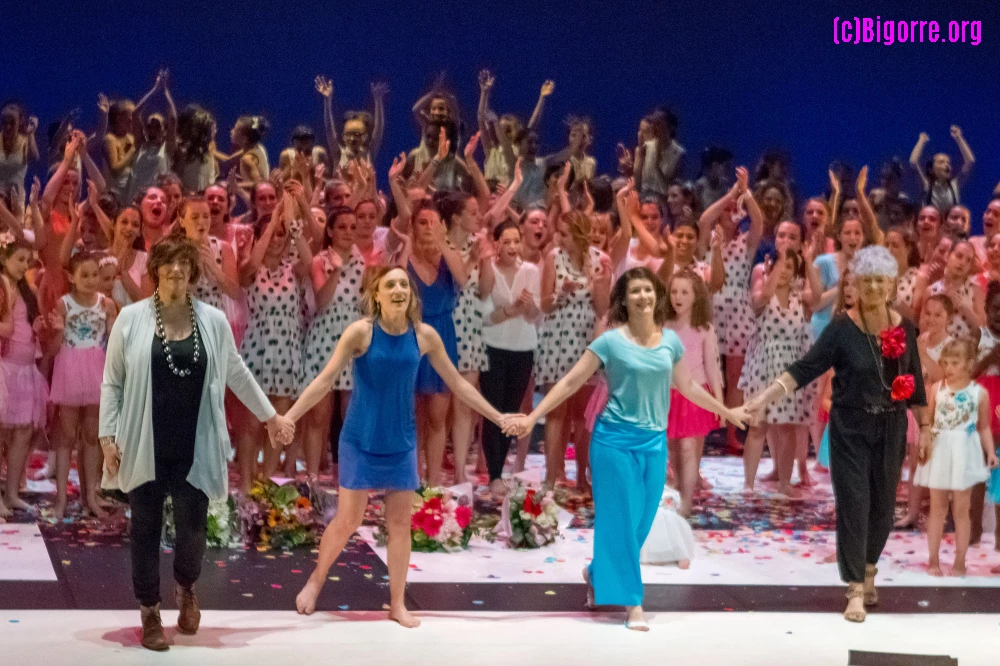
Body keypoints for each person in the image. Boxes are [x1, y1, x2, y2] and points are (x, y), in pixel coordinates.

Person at [506, 267, 747, 631]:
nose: (643, 297)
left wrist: (726, 410)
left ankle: (597, 572)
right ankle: (633, 602)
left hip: (653, 443)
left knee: (639, 522)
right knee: (618, 519)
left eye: (648, 291)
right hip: (613, 442)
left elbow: (689, 387)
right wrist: (532, 416)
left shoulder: (670, 342)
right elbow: (571, 380)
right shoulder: (610, 341)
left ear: (657, 297)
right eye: (635, 291)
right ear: (624, 299)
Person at [281, 265, 511, 626]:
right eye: (391, 284)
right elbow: (325, 380)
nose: (399, 289)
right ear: (376, 294)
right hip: (360, 439)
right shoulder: (360, 332)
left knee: (400, 524)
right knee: (348, 520)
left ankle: (397, 603)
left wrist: (497, 418)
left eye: (404, 284)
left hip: (402, 442)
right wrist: (290, 417)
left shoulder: (425, 336)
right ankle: (316, 579)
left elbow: (460, 385)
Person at [99, 235, 293, 651]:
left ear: (192, 272)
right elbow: (112, 382)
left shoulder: (214, 320)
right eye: (167, 265)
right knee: (145, 529)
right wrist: (107, 436)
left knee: (192, 533)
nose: (175, 271)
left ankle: (186, 588)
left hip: (196, 442)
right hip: (143, 441)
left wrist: (271, 417)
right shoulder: (130, 319)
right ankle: (149, 610)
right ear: (155, 271)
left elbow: (237, 373)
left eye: (183, 266)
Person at [744, 245, 929, 623]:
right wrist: (765, 396)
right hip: (850, 428)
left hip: (892, 426)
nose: (874, 287)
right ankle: (855, 588)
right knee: (856, 504)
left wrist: (925, 427)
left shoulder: (905, 328)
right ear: (856, 286)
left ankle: (870, 567)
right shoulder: (842, 329)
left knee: (882, 510)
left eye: (881, 280)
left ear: (891, 284)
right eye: (867, 281)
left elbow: (917, 383)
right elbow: (805, 367)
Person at [913, 338, 997, 576]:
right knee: (937, 508)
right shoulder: (937, 388)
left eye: (954, 363)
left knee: (962, 508)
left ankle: (960, 560)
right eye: (946, 362)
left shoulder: (979, 393)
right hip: (940, 450)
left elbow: (983, 427)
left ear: (969, 364)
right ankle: (933, 560)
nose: (948, 368)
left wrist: (990, 452)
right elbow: (926, 423)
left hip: (964, 451)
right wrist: (923, 442)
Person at [48, 251, 117, 520]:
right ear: (71, 277)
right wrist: (56, 331)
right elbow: (55, 346)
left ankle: (90, 495)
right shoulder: (63, 304)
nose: (90, 280)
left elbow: (112, 342)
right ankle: (61, 498)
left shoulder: (106, 304)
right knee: (65, 436)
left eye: (94, 275)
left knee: (92, 436)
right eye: (84, 275)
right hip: (69, 369)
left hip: (97, 371)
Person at [479, 221, 541, 492]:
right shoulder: (488, 270)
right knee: (493, 412)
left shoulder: (530, 270)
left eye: (517, 241)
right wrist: (511, 310)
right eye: (507, 242)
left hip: (523, 349)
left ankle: (500, 469)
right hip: (493, 347)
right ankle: (493, 474)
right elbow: (485, 316)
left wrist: (527, 307)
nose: (513, 247)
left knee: (512, 413)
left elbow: (535, 316)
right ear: (496, 244)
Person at [664, 270, 723, 516]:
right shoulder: (663, 326)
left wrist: (719, 402)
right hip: (668, 395)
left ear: (696, 296)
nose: (678, 297)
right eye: (674, 291)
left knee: (689, 448)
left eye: (684, 292)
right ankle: (678, 490)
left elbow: (712, 366)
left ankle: (686, 505)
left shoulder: (704, 328)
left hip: (695, 395)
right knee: (674, 449)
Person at [0, 235, 49, 517]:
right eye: (19, 259)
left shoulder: (27, 289)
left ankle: (12, 493)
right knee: (2, 431)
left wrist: (40, 326)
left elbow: (27, 325)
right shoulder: (3, 284)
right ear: (4, 259)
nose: (24, 265)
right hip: (6, 368)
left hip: (26, 370)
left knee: (22, 433)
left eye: (28, 261)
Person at [909, 127, 975, 210]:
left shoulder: (954, 185)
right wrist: (921, 141)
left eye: (948, 163)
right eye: (941, 162)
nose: (946, 165)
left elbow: (970, 162)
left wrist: (959, 138)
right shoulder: (927, 186)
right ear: (932, 170)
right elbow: (913, 162)